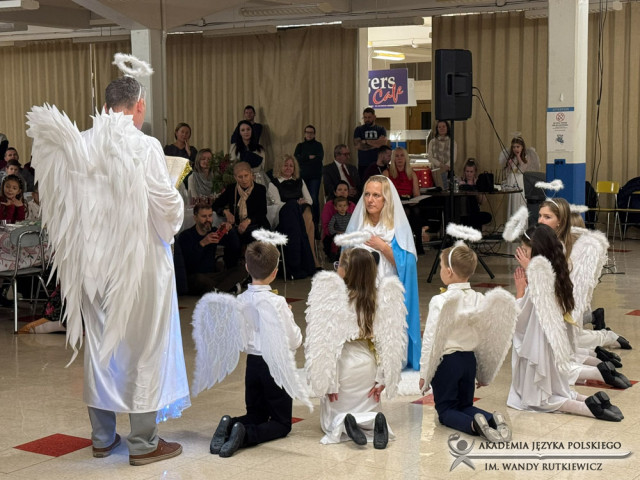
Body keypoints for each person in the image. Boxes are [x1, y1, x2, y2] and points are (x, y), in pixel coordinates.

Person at [27, 66, 190, 465]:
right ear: (139, 106)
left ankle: (102, 437)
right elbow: (166, 210)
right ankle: (144, 443)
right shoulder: (145, 145)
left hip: (92, 266)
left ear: (104, 107)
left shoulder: (81, 144)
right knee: (144, 347)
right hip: (140, 265)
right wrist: (176, 198)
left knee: (100, 347)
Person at [508, 225, 623, 421]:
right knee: (557, 389)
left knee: (537, 399)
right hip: (554, 346)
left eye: (525, 252)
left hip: (539, 347)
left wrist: (520, 290)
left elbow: (520, 319)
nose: (522, 257)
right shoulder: (558, 272)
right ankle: (589, 400)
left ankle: (586, 408)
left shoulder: (538, 281)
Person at [209, 240, 303, 457]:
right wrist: (288, 315)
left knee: (256, 413)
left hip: (253, 363)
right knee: (281, 422)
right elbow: (294, 340)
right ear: (275, 272)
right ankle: (245, 436)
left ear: (247, 268)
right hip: (276, 365)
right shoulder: (278, 303)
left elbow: (239, 338)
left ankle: (229, 424)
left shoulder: (240, 300)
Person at [305, 248, 407, 447]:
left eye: (338, 265)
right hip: (368, 369)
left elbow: (327, 344)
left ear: (346, 271)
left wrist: (329, 382)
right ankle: (372, 421)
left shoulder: (334, 300)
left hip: (342, 368)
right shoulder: (378, 299)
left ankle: (344, 422)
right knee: (369, 407)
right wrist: (383, 377)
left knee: (330, 420)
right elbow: (388, 342)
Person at [419, 243, 515, 442]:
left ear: (448, 271)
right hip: (468, 361)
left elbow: (430, 340)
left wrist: (424, 374)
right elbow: (485, 336)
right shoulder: (480, 298)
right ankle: (493, 419)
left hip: (447, 363)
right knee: (465, 405)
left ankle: (474, 425)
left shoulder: (441, 300)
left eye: (440, 267)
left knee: (446, 410)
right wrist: (483, 371)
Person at [344, 176, 421, 370]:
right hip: (361, 291)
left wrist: (383, 247)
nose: (370, 200)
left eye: (376, 195)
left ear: (386, 199)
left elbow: (408, 265)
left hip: (388, 290)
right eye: (367, 194)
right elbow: (345, 261)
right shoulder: (358, 225)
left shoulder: (397, 228)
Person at [536, 198, 630, 350]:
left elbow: (575, 291)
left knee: (565, 340)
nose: (541, 221)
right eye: (540, 216)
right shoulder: (544, 241)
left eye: (547, 217)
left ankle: (607, 337)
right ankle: (594, 320)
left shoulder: (575, 251)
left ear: (560, 222)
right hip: (550, 303)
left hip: (564, 304)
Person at [176, 204, 247, 295]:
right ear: (195, 218)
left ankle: (217, 291)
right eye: (204, 216)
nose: (208, 220)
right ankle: (226, 288)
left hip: (213, 275)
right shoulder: (185, 236)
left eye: (210, 216)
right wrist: (202, 243)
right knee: (199, 279)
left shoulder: (214, 231)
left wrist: (230, 230)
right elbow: (188, 264)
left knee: (244, 269)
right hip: (195, 276)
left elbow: (235, 246)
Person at [267, 154, 318, 278]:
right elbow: (278, 204)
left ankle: (306, 261)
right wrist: (295, 203)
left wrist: (301, 204)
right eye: (285, 165)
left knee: (307, 210)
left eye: (291, 166)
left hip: (301, 213)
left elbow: (309, 200)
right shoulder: (273, 184)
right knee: (304, 218)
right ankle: (312, 261)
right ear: (279, 166)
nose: (289, 168)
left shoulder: (300, 181)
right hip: (285, 217)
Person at [212, 161, 269, 269]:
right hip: (236, 226)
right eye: (240, 177)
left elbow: (262, 212)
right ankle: (231, 271)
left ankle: (254, 271)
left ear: (251, 175)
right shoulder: (231, 189)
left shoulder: (260, 189)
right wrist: (226, 212)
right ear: (235, 177)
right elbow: (215, 205)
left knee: (254, 237)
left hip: (255, 225)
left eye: (246, 176)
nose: (244, 180)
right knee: (231, 238)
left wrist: (248, 221)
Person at [498, 136, 540, 218]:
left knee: (519, 202)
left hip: (520, 182)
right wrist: (509, 166)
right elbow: (507, 173)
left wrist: (518, 157)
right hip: (512, 181)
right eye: (514, 147)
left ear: (522, 147)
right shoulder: (511, 158)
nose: (515, 149)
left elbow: (523, 169)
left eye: (518, 147)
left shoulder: (526, 157)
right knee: (512, 201)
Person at [294, 124, 324, 223]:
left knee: (313, 198)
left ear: (314, 134)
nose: (309, 134)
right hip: (302, 177)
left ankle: (315, 224)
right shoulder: (300, 146)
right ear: (304, 133)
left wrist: (303, 158)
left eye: (311, 133)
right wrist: (308, 157)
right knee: (302, 199)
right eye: (307, 132)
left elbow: (319, 158)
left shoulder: (318, 145)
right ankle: (304, 222)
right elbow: (296, 159)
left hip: (315, 176)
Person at [321, 181, 356, 258]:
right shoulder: (329, 205)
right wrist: (337, 233)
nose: (343, 192)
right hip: (333, 235)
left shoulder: (352, 205)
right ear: (335, 192)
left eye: (345, 190)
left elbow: (356, 223)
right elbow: (326, 226)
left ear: (348, 192)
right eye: (340, 190)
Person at [229, 120, 268, 187]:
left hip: (257, 180)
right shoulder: (234, 147)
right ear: (239, 133)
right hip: (239, 180)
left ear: (252, 131)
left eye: (248, 129)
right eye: (243, 130)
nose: (246, 132)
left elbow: (262, 167)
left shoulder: (260, 149)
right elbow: (232, 164)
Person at [457, 158, 492, 231]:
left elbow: (483, 202)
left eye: (471, 172)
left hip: (474, 212)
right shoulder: (460, 182)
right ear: (464, 171)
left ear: (475, 172)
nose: (469, 174)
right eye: (467, 171)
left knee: (488, 216)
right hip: (463, 213)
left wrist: (477, 188)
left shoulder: (478, 182)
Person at [353, 107, 388, 179]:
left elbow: (382, 144)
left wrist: (366, 141)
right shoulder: (359, 129)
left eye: (369, 117)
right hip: (363, 164)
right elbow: (358, 145)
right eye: (365, 117)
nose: (367, 119)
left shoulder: (381, 129)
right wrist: (376, 144)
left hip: (378, 163)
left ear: (374, 117)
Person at [427, 120, 456, 188]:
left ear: (447, 128)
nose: (441, 128)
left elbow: (453, 157)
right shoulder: (432, 142)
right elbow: (430, 157)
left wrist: (446, 166)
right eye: (439, 127)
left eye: (443, 126)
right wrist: (440, 165)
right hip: (435, 172)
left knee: (446, 189)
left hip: (448, 171)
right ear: (437, 129)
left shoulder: (452, 142)